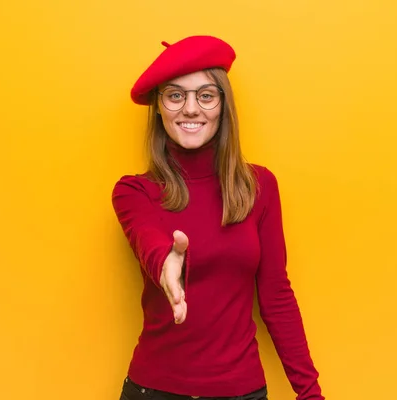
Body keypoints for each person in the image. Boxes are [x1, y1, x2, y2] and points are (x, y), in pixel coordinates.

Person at [112, 35, 324, 400]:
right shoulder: (135, 192)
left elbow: (276, 296)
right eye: (175, 95)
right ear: (159, 108)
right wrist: (166, 263)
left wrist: (310, 394)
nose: (190, 109)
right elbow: (148, 239)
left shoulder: (259, 186)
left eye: (205, 95)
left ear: (223, 106)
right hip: (154, 390)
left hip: (241, 391)